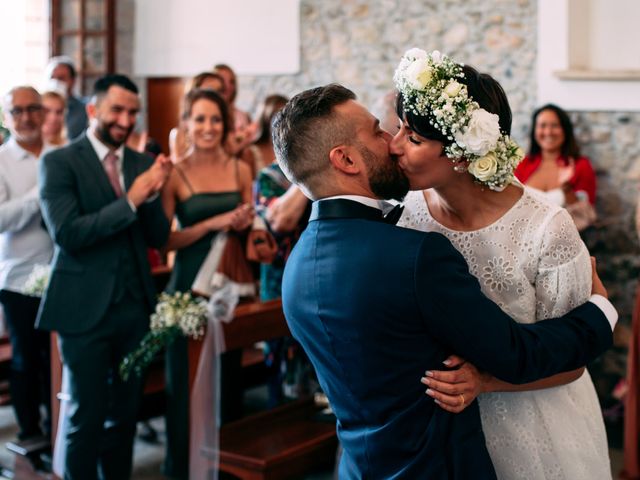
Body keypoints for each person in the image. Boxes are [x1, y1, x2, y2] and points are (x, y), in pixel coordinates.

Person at [271, 83, 617, 479]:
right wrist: (601, 310)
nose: (392, 142)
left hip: (360, 466)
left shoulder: (295, 270)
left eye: (407, 133)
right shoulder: (414, 253)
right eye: (378, 131)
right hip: (439, 465)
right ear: (346, 159)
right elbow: (516, 353)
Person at [392, 48, 611, 479]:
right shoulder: (403, 214)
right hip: (436, 430)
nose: (394, 146)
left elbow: (573, 359)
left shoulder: (547, 226)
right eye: (398, 128)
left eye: (414, 138)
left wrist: (484, 382)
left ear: (459, 153)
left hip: (533, 424)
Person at [37, 74, 172, 480]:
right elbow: (69, 234)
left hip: (134, 309)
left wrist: (155, 194)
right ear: (94, 109)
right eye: (117, 110)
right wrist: (132, 198)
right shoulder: (59, 162)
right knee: (87, 413)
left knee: (126, 414)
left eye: (132, 112)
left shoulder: (141, 163)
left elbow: (158, 237)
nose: (126, 120)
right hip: (83, 311)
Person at [160, 88, 253, 480]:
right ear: (186, 124)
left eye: (215, 119)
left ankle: (225, 465)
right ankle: (181, 468)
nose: (208, 127)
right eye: (199, 119)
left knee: (228, 377)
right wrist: (209, 224)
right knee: (184, 384)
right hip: (188, 286)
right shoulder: (175, 173)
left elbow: (252, 227)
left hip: (229, 283)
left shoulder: (240, 169)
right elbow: (164, 240)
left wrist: (246, 220)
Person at [0, 86, 53, 444]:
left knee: (56, 359)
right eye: (17, 111)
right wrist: (39, 196)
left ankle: (56, 427)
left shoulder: (59, 156)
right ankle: (30, 431)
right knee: (26, 361)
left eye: (33, 108)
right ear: (7, 118)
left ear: (44, 112)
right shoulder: (2, 160)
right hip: (18, 277)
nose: (26, 117)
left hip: (61, 274)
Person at [515, 103, 597, 230]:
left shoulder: (580, 165)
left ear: (565, 130)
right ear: (534, 131)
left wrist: (566, 189)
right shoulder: (522, 164)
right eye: (542, 126)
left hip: (563, 240)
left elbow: (586, 216)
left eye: (555, 126)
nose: (548, 132)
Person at [168, 71, 226, 162]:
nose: (216, 96)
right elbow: (179, 169)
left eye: (220, 91)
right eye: (209, 90)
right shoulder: (178, 135)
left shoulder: (226, 131)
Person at [45, 56, 88, 140]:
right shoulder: (39, 106)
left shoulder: (84, 109)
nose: (56, 82)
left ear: (73, 80)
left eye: (61, 78)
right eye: (52, 77)